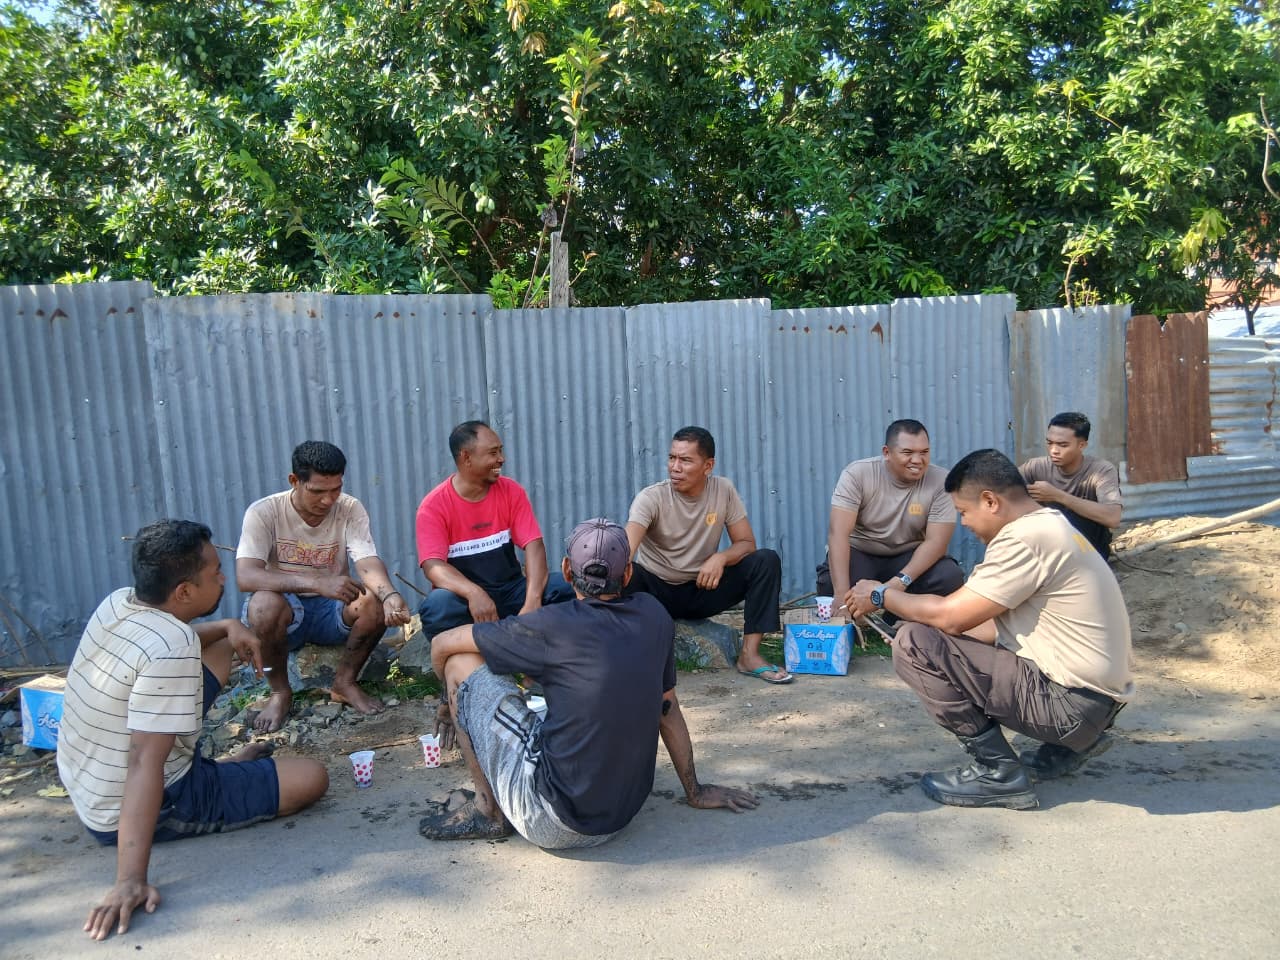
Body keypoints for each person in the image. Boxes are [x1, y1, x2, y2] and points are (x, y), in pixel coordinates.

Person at [58, 520, 329, 941]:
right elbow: (144, 763)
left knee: (220, 645)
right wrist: (130, 880)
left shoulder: (119, 602)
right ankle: (206, 783)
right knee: (312, 777)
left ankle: (218, 770)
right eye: (215, 572)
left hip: (88, 782)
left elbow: (186, 642)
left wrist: (227, 626)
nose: (224, 578)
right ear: (184, 592)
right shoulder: (171, 648)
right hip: (134, 804)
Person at [421, 517, 758, 845]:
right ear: (628, 573)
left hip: (553, 821)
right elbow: (666, 708)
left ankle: (489, 811)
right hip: (623, 814)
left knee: (460, 664)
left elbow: (442, 644)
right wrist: (695, 791)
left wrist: (449, 704)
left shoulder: (551, 625)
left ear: (567, 570)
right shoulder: (655, 615)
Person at [847, 449, 1133, 810]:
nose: (964, 523)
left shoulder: (1024, 538)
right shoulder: (1052, 525)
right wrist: (936, 636)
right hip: (1098, 704)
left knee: (913, 643)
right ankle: (1066, 747)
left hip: (1071, 707)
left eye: (964, 512)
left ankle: (997, 772)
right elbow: (987, 627)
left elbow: (951, 616)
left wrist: (880, 595)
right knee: (925, 635)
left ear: (990, 501)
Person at [237, 440, 409, 732]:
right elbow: (247, 576)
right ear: (294, 481)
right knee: (263, 605)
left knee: (373, 601)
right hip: (286, 613)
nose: (329, 500)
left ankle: (344, 682)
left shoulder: (349, 508)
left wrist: (389, 594)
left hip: (331, 611)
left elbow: (366, 561)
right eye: (318, 491)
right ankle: (280, 692)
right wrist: (316, 583)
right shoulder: (265, 512)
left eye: (336, 489)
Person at [624, 426, 789, 684]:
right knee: (624, 572)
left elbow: (746, 543)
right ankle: (618, 658)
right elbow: (625, 551)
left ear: (708, 465)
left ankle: (749, 656)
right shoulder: (651, 498)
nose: (675, 467)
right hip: (655, 593)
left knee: (766, 561)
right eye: (671, 458)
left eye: (685, 460)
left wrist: (720, 558)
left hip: (702, 588)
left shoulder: (723, 490)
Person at [415, 421, 574, 640]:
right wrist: (474, 593)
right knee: (437, 606)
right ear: (466, 457)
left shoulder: (511, 491)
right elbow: (433, 566)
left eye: (500, 451)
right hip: (466, 601)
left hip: (511, 591)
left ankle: (536, 641)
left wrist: (532, 602)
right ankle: (472, 649)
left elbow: (534, 545)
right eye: (493, 453)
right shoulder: (433, 506)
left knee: (567, 587)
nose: (501, 459)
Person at [818, 419, 965, 623]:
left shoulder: (942, 482)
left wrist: (893, 587)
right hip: (862, 552)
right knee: (829, 583)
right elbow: (838, 534)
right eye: (908, 452)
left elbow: (936, 543)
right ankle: (858, 614)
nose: (917, 460)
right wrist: (841, 594)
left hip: (909, 556)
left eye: (924, 452)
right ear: (887, 452)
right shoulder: (858, 474)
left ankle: (895, 617)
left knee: (948, 577)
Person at [1019, 411, 1123, 557]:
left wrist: (1057, 496)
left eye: (1063, 445)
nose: (1054, 450)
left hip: (1089, 550)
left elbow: (1113, 518)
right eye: (1049, 443)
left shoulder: (1101, 470)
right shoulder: (1034, 467)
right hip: (1047, 547)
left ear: (1082, 445)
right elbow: (1006, 492)